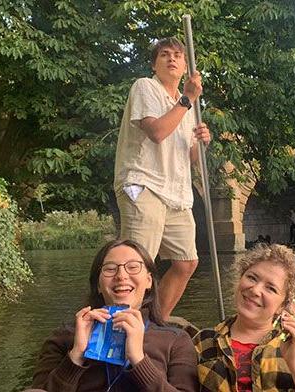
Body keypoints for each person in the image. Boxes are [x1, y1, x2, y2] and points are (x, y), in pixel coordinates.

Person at [113, 37, 211, 319]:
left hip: (176, 194)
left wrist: (202, 143)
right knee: (134, 265)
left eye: (178, 55)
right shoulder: (145, 87)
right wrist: (188, 99)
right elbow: (156, 133)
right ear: (154, 64)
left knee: (186, 262)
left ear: (185, 66)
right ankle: (120, 332)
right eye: (164, 55)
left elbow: (189, 158)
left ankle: (152, 322)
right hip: (144, 185)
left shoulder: (185, 107)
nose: (172, 59)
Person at [29, 239, 198, 392]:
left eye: (133, 267)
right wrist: (75, 356)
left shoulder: (176, 340)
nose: (121, 276)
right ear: (98, 285)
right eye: (110, 269)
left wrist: (139, 360)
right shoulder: (64, 337)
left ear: (148, 280)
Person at [193, 244, 295, 392]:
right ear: (240, 279)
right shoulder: (204, 341)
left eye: (270, 288)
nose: (255, 290)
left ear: (282, 305)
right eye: (252, 278)